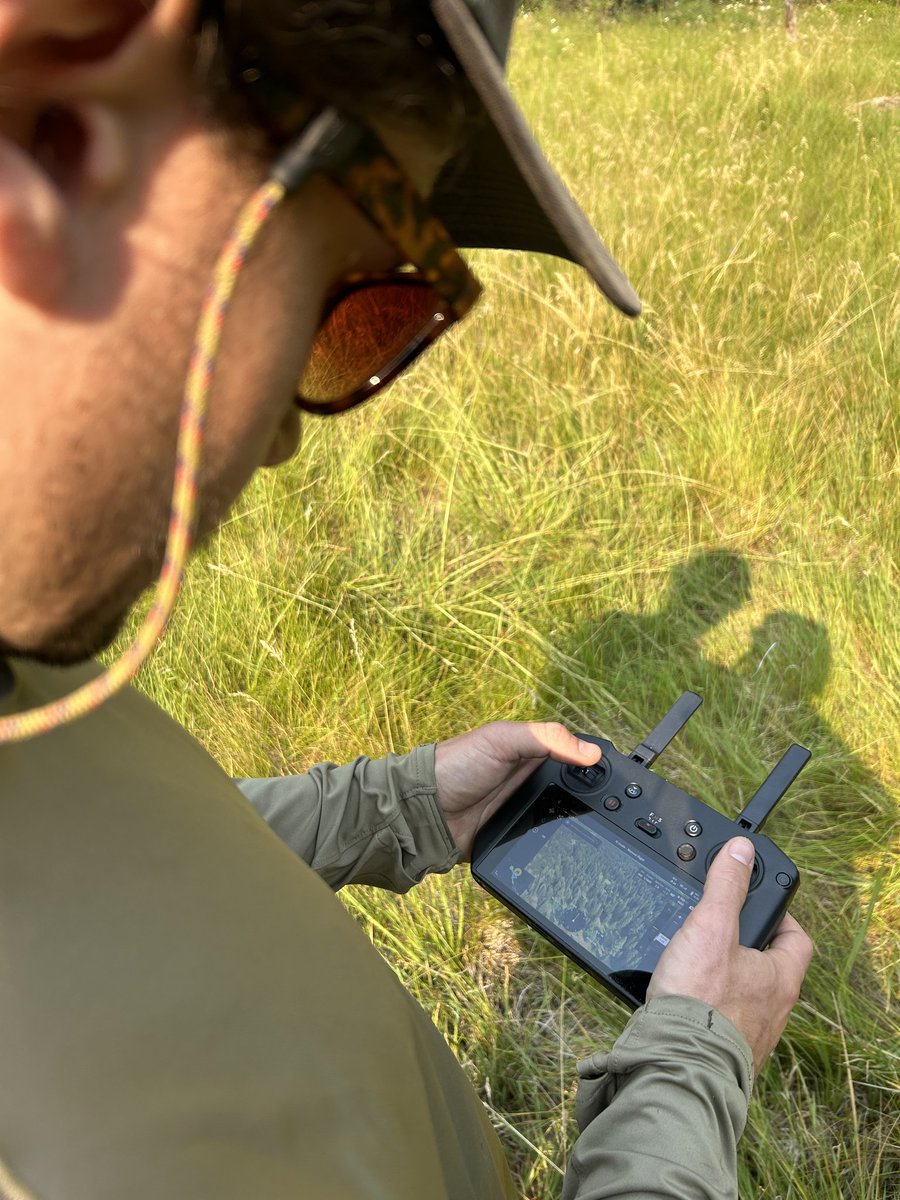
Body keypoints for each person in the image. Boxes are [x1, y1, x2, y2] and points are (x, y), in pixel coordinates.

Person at [0, 2, 813, 1198]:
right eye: (355, 292)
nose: (286, 439)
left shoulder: (29, 669)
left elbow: (92, 858)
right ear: (59, 116)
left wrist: (393, 808)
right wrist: (688, 1080)